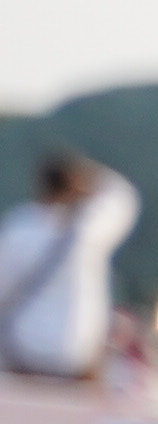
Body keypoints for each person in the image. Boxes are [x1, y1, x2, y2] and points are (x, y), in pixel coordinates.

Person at [0, 151, 143, 381]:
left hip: (19, 353)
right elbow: (123, 196)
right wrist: (90, 172)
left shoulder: (18, 226)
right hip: (73, 355)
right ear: (77, 185)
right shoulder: (88, 228)